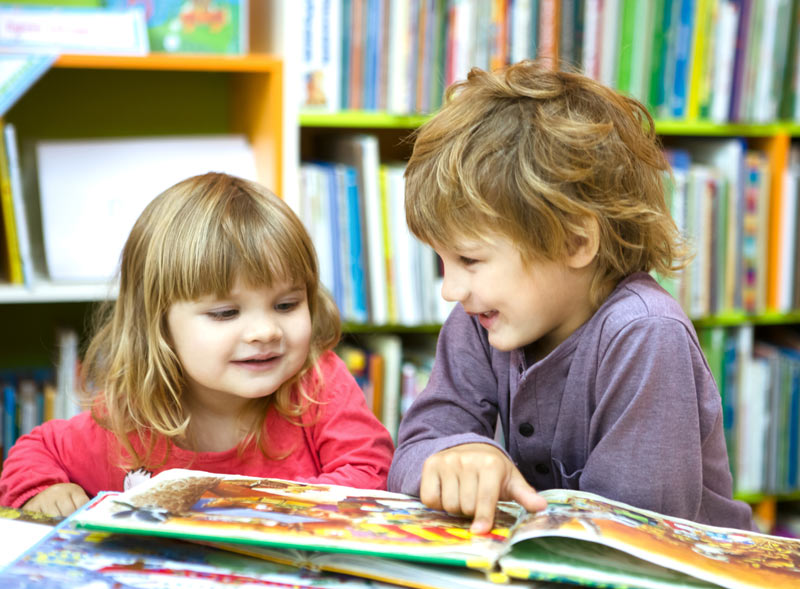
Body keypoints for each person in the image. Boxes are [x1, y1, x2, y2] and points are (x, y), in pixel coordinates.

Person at [387, 60, 754, 534]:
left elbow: (629, 537)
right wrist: (456, 454)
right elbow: (413, 452)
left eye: (470, 260)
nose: (451, 289)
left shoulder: (645, 335)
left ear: (575, 242)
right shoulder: (482, 318)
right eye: (443, 262)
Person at [0, 172, 394, 516]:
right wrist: (45, 491)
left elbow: (370, 468)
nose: (266, 332)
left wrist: (281, 514)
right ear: (160, 326)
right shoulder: (131, 416)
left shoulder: (318, 384)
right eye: (225, 313)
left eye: (287, 305)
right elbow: (35, 453)